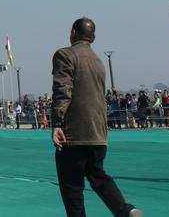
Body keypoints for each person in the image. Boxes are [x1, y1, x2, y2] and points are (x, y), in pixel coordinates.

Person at [51, 17, 141, 217]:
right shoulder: (98, 61)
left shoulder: (65, 55)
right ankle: (125, 210)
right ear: (93, 37)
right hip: (98, 133)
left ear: (73, 32)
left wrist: (57, 123)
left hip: (74, 132)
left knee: (72, 187)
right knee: (97, 175)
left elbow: (62, 89)